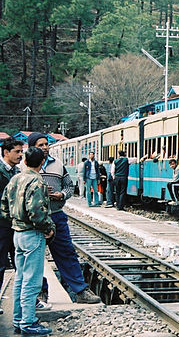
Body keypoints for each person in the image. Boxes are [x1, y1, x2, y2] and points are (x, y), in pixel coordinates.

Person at [28, 132, 100, 305]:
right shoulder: (25, 167)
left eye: (46, 144)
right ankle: (39, 292)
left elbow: (69, 185)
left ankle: (81, 290)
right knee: (35, 258)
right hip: (34, 219)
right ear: (32, 147)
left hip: (56, 215)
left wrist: (62, 195)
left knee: (67, 253)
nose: (45, 147)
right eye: (41, 145)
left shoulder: (58, 164)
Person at [1, 146, 55, 335]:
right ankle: (29, 321)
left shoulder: (15, 178)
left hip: (17, 234)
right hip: (32, 235)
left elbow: (3, 206)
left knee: (20, 279)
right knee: (32, 281)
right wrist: (48, 229)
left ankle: (18, 319)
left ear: (24, 160)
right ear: (42, 162)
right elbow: (37, 213)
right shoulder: (37, 182)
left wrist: (14, 221)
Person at [0, 137, 24, 315]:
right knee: (0, 264)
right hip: (2, 225)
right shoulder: (1, 171)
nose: (20, 155)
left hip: (13, 224)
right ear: (6, 152)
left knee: (20, 263)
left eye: (21, 151)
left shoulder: (16, 171)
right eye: (17, 151)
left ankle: (26, 300)